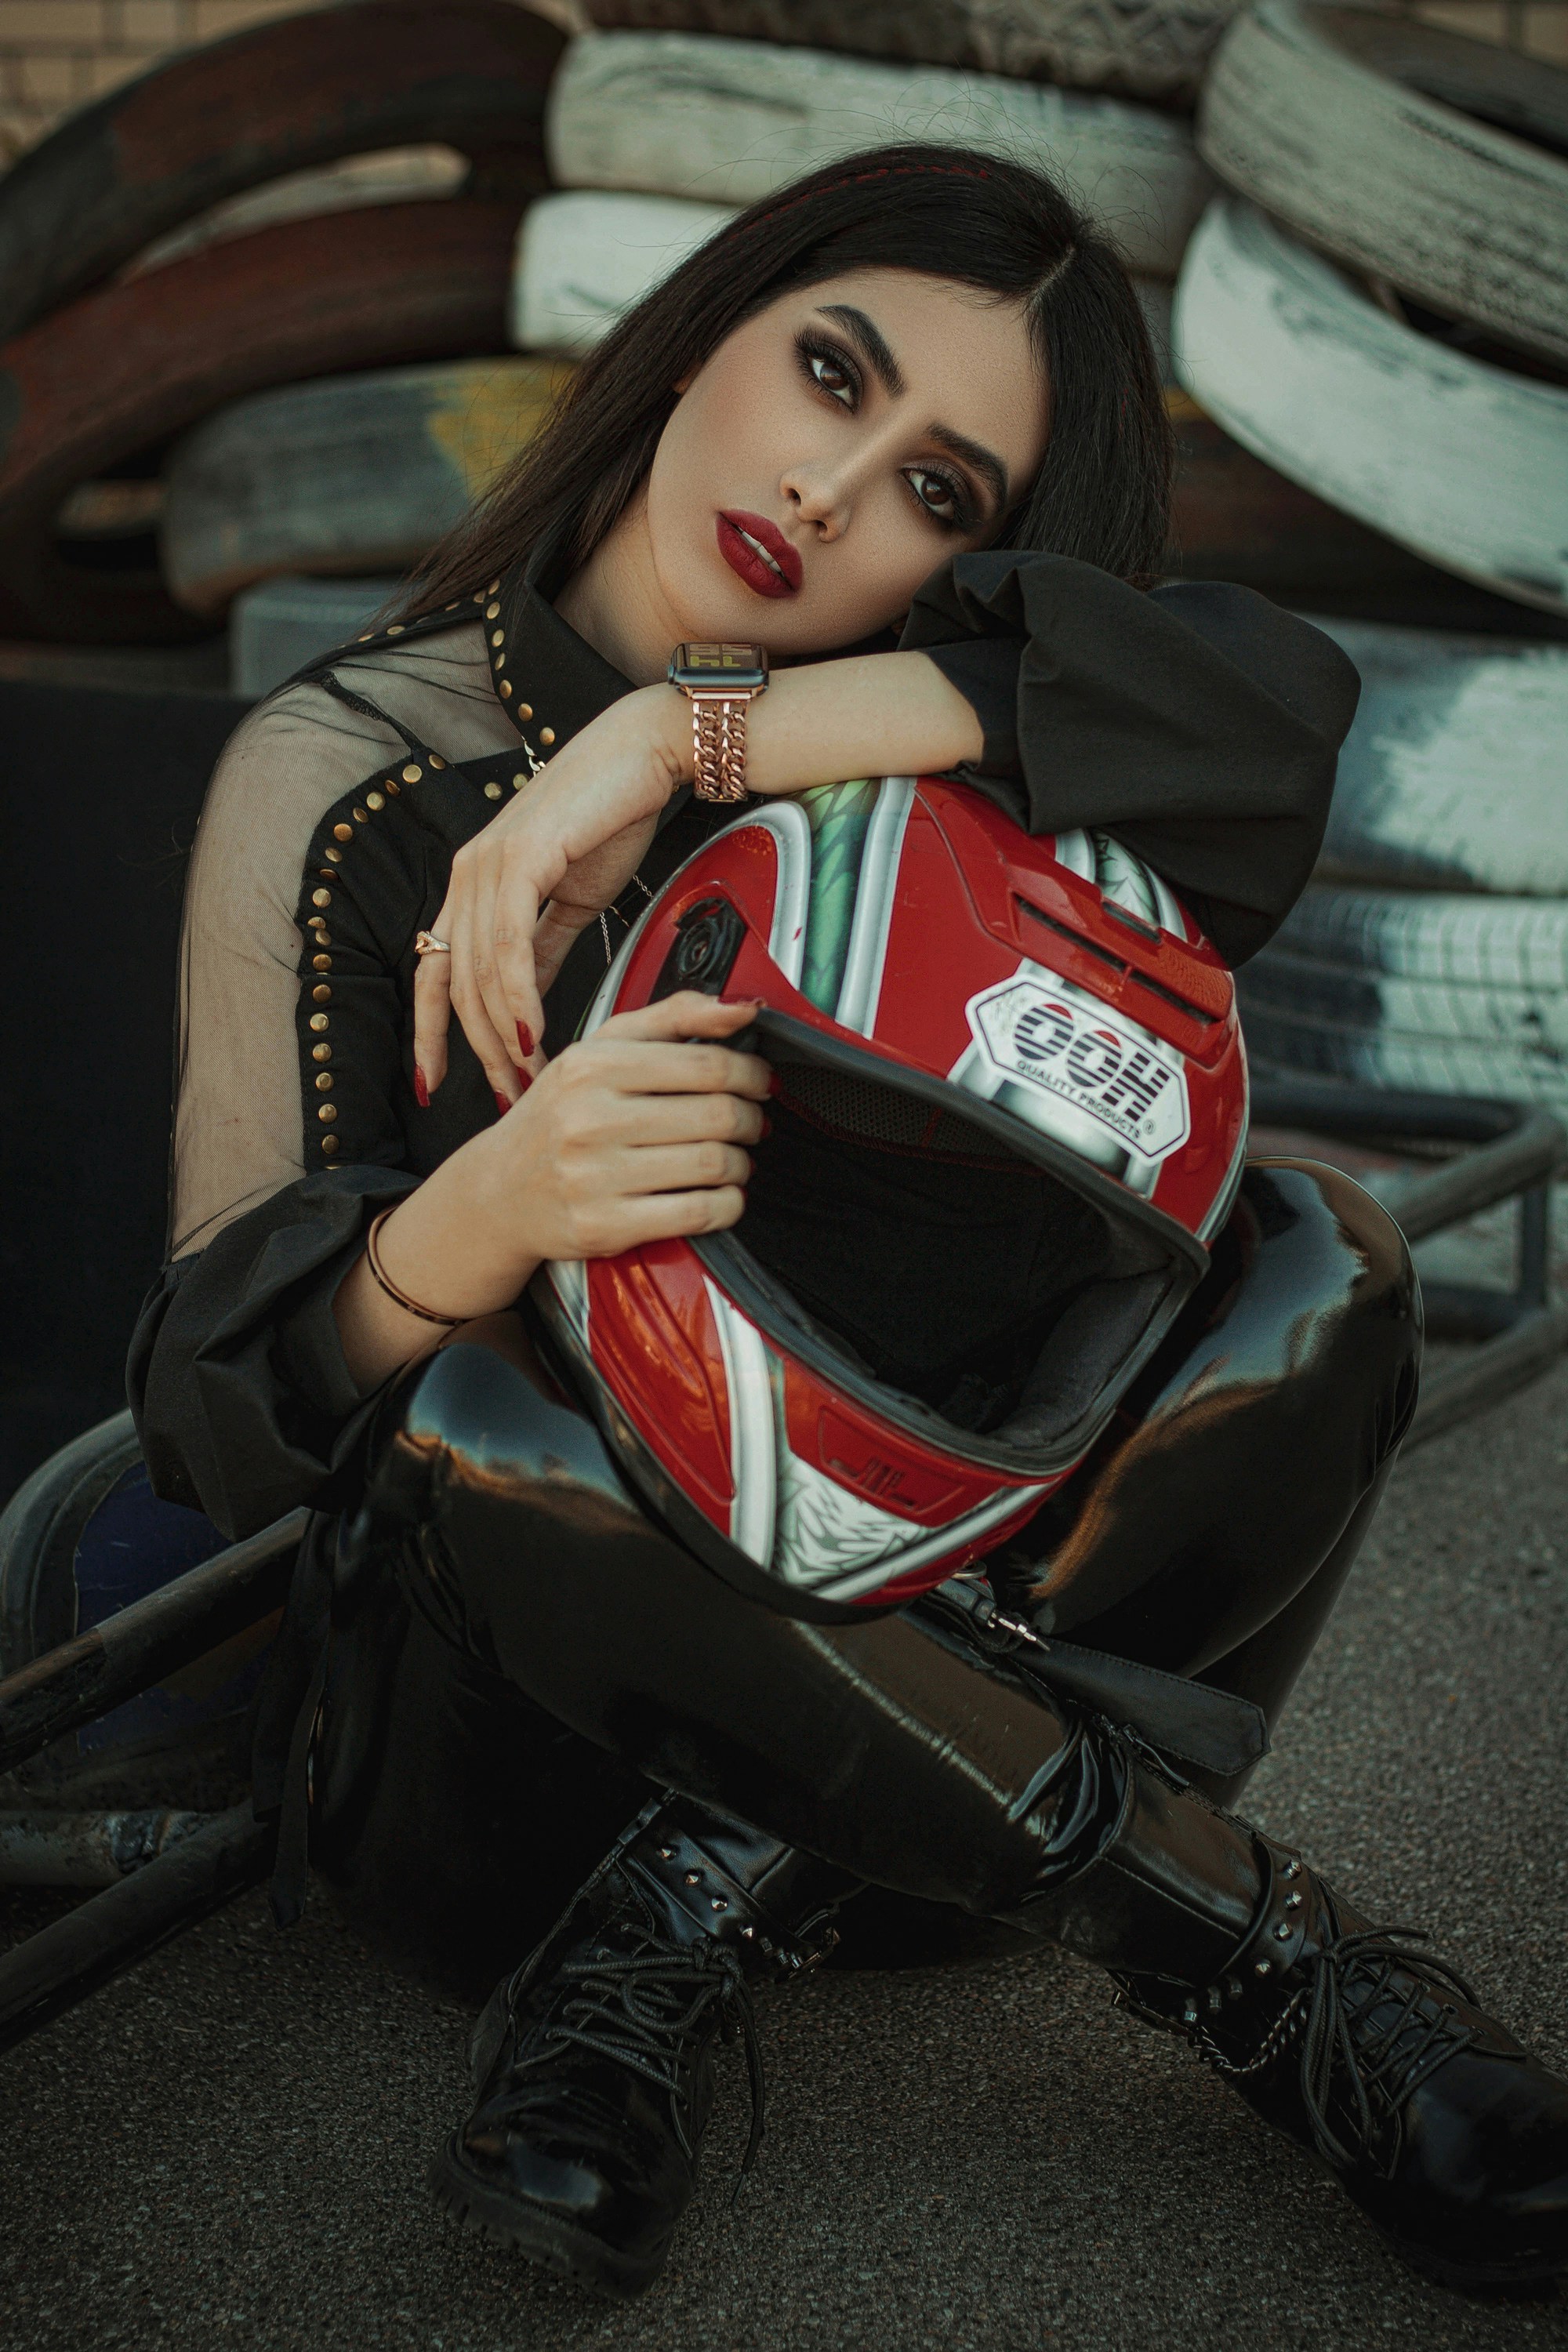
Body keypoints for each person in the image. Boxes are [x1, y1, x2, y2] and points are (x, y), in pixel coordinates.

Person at [130, 145, 1568, 2301]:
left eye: (940, 492)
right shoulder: (343, 777)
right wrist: (489, 1217)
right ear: (712, 324)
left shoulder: (905, 759)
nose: (830, 492)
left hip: (897, 1706)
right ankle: (1280, 1977)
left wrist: (684, 739)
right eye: (831, 373)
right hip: (498, 1763)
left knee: (1322, 1258)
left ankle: (689, 1916)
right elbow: (213, 1431)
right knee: (498, 1425)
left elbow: (1267, 713)